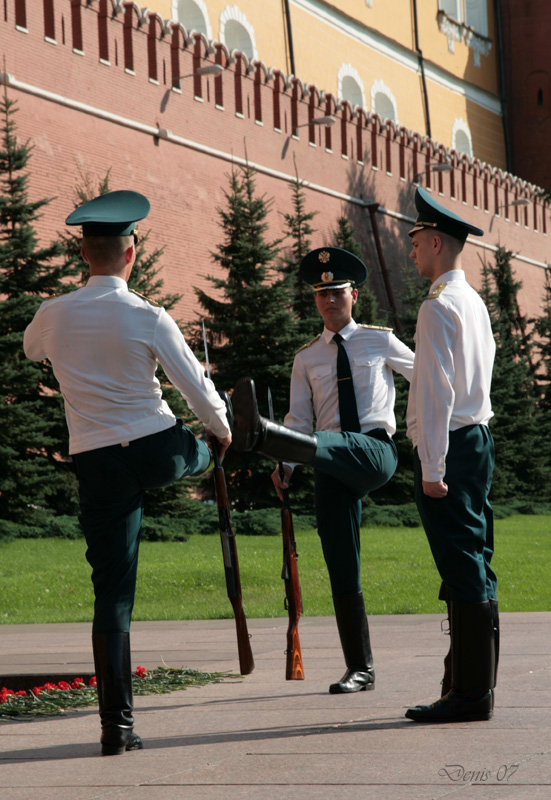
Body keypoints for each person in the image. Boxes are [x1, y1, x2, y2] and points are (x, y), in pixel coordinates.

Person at [23, 190, 232, 755]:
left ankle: (115, 727)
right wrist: (221, 434)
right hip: (159, 450)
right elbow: (195, 387)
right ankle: (206, 457)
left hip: (97, 461)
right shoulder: (149, 315)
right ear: (130, 252)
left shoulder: (53, 313)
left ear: (84, 254)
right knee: (198, 450)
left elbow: (29, 350)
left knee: (112, 593)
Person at [230, 248, 414, 694]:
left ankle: (261, 432)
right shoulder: (307, 357)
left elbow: (427, 380)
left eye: (336, 292)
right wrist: (286, 465)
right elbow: (299, 419)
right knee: (339, 563)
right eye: (320, 294)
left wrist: (437, 440)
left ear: (353, 294)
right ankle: (361, 669)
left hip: (374, 452)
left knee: (330, 443)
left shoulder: (380, 340)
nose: (329, 301)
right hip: (326, 460)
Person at [404, 186, 498, 723]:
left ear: (436, 242)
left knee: (462, 565)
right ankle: (468, 682)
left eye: (416, 241)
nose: (412, 251)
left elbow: (438, 393)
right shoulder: (473, 301)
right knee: (476, 561)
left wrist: (433, 469)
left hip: (452, 449)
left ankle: (468, 695)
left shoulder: (438, 307)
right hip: (475, 440)